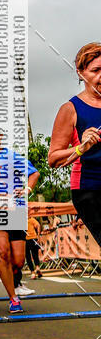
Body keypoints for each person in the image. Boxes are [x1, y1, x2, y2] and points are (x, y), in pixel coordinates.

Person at [0, 123, 40, 313]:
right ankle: (13, 298)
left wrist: (27, 189)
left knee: (18, 260)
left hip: (14, 208)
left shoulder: (11, 156)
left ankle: (11, 279)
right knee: (3, 252)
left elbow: (34, 172)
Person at [49, 42, 101, 250]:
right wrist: (81, 147)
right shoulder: (71, 109)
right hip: (90, 188)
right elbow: (54, 159)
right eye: (96, 70)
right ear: (81, 74)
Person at [25, 214, 43, 278]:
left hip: (25, 239)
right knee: (35, 254)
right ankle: (37, 267)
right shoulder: (32, 220)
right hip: (33, 238)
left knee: (28, 256)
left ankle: (32, 272)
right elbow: (38, 225)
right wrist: (38, 235)